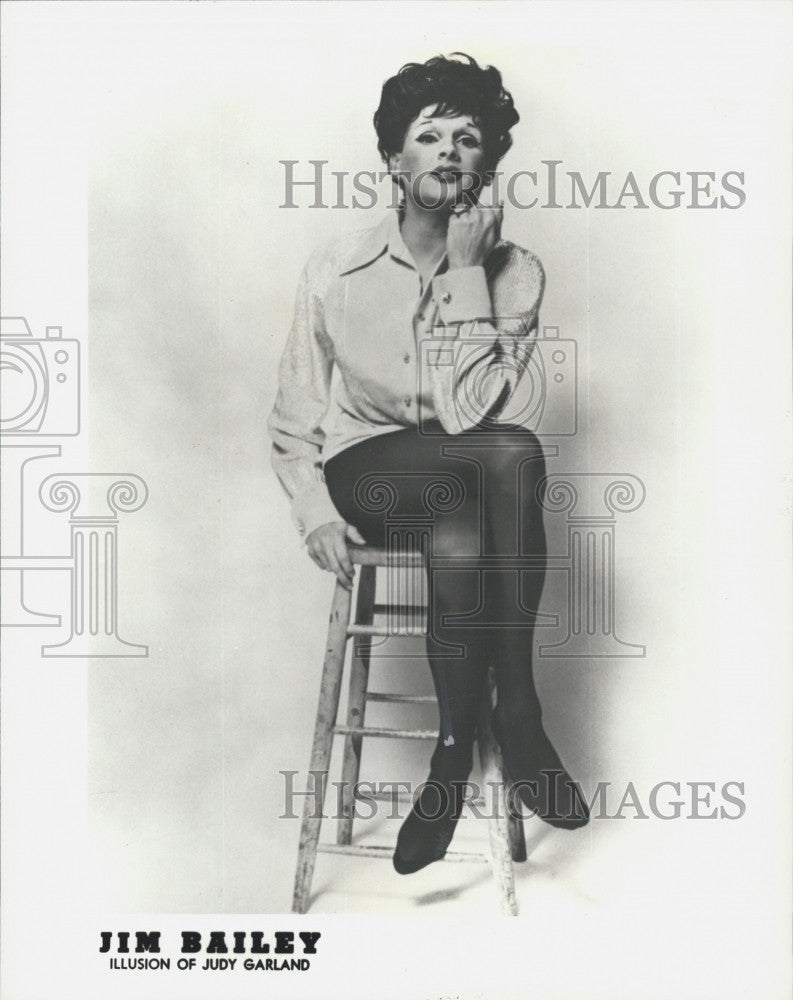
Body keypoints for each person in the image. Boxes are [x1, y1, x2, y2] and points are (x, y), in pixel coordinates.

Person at [268, 53, 589, 876]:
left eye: (469, 137)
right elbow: (295, 415)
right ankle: (517, 713)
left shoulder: (516, 274)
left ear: (489, 164)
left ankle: (451, 760)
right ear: (393, 159)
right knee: (509, 456)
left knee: (467, 507)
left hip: (460, 478)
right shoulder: (333, 267)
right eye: (428, 134)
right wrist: (313, 511)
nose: (449, 150)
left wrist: (466, 274)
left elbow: (464, 414)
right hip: (366, 470)